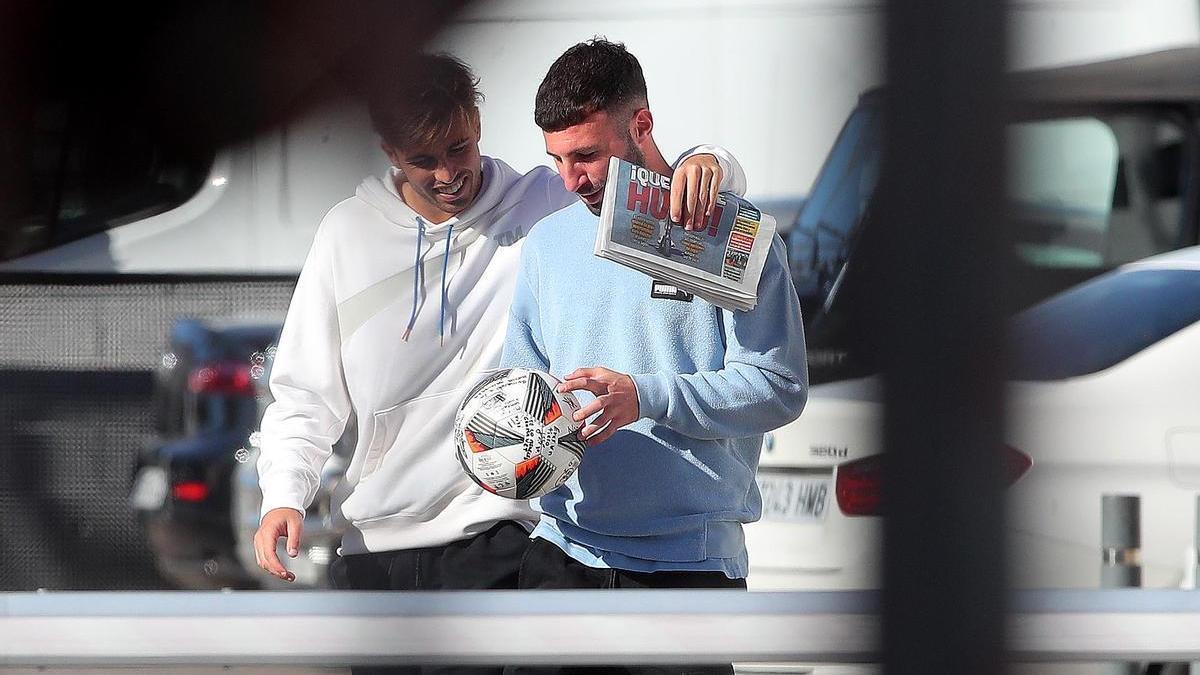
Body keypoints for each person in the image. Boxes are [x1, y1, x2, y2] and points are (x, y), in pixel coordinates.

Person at [251, 51, 745, 672]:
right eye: (422, 160)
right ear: (387, 151)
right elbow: (304, 395)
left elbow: (659, 187)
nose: (447, 174)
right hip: (373, 549)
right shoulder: (345, 234)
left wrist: (714, 163)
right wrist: (283, 495)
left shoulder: (547, 204)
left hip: (497, 539)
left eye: (458, 149)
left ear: (478, 125)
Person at [499, 39, 808, 675]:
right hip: (562, 556)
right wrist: (506, 441)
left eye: (586, 155)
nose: (570, 180)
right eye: (556, 159)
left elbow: (778, 385)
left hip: (687, 568)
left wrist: (647, 396)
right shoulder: (546, 244)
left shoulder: (727, 231)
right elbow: (521, 384)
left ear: (641, 126)